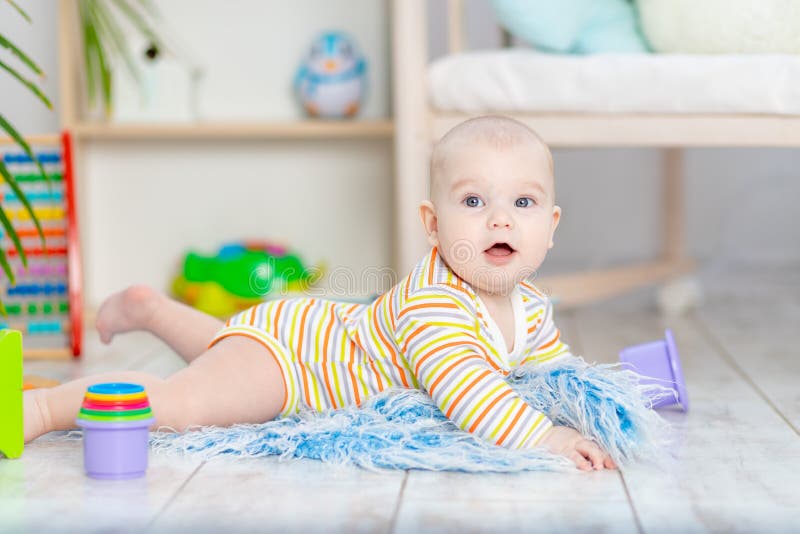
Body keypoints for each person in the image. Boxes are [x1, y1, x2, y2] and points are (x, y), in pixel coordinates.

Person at [21, 116, 616, 471]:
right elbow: (472, 395)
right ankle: (45, 409)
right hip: (294, 365)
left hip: (299, 330)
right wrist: (548, 436)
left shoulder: (529, 305)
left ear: (552, 225)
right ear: (433, 226)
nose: (500, 221)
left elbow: (550, 369)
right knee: (186, 406)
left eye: (523, 203)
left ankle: (151, 308)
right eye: (473, 202)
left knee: (225, 350)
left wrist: (595, 403)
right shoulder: (435, 304)